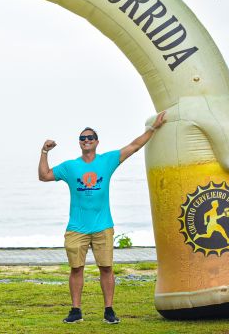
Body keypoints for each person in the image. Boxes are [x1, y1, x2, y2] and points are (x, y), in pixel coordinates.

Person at [38, 112, 166, 324]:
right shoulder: (70, 167)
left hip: (102, 226)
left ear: (96, 142)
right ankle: (75, 311)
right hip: (76, 227)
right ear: (79, 143)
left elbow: (134, 146)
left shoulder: (107, 161)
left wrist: (153, 129)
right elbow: (44, 175)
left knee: (106, 268)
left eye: (90, 138)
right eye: (82, 138)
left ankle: (109, 310)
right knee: (76, 269)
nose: (86, 140)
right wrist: (44, 151)